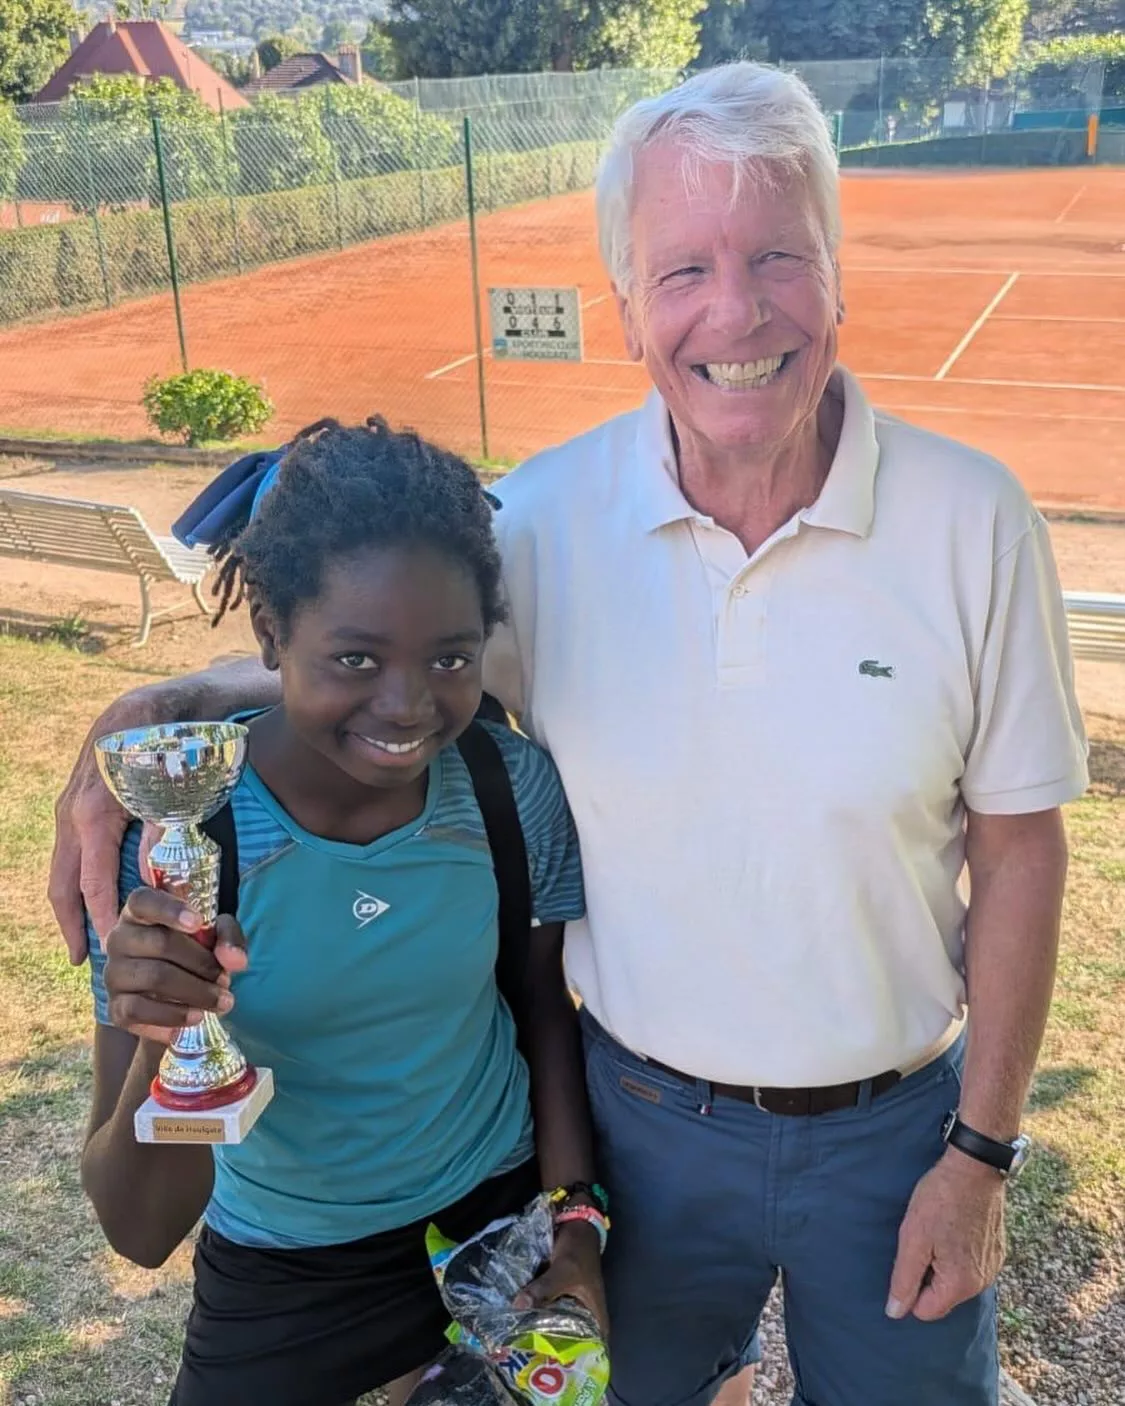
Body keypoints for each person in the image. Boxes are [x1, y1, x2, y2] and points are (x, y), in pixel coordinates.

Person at [53, 64, 1087, 1406]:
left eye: (778, 254)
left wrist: (982, 1154)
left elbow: (1020, 849)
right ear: (623, 308)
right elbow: (385, 660)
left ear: (838, 272)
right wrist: (149, 714)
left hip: (898, 1131)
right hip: (638, 1123)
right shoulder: (538, 523)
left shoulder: (974, 518)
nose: (737, 310)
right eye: (684, 269)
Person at [79, 418, 607, 1406]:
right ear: (272, 633)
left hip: (494, 1225)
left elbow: (542, 1012)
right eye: (357, 659)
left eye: (451, 658)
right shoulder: (181, 840)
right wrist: (167, 1032)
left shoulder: (507, 786)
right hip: (292, 1264)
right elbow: (137, 1230)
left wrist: (574, 1225)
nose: (408, 705)